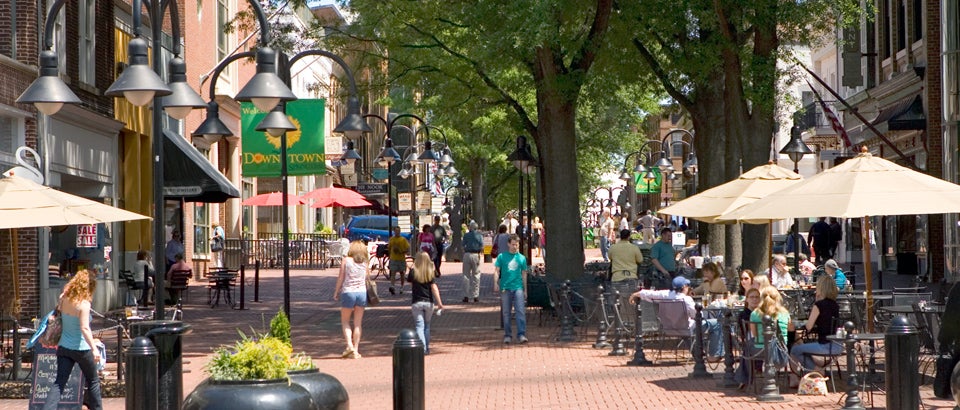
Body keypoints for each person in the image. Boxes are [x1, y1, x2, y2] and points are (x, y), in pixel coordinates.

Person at [44, 269, 102, 410]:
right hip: (81, 348)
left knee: (59, 382)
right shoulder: (84, 304)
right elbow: (84, 328)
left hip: (64, 347)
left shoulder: (64, 299)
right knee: (93, 381)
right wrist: (94, 349)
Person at [629, 276, 722, 361]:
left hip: (669, 328)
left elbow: (650, 293)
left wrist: (636, 294)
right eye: (688, 286)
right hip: (687, 328)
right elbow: (698, 315)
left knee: (688, 326)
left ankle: (698, 353)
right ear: (684, 287)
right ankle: (714, 355)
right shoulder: (686, 299)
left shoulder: (665, 295)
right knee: (716, 323)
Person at [789, 275, 841, 372]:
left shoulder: (819, 305)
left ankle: (816, 370)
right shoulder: (835, 305)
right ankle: (816, 369)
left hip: (825, 345)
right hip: (837, 344)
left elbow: (808, 327)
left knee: (795, 350)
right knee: (804, 349)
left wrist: (816, 302)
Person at [334, 241, 370, 359]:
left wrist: (336, 292)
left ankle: (349, 345)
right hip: (361, 292)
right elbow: (366, 278)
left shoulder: (346, 260)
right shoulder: (365, 263)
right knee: (358, 323)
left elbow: (341, 277)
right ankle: (356, 350)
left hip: (348, 292)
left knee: (345, 321)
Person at [494, 235, 529, 344]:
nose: (515, 247)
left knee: (520, 311)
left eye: (517, 244)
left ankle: (521, 334)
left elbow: (524, 274)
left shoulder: (521, 258)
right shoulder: (501, 257)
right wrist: (495, 283)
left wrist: (525, 289)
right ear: (508, 244)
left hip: (517, 287)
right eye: (513, 244)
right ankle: (508, 335)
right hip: (505, 287)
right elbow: (497, 271)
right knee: (506, 312)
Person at [408, 251, 443, 354]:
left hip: (417, 302)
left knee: (419, 325)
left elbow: (410, 283)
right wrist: (439, 303)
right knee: (427, 326)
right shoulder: (430, 273)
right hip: (429, 302)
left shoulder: (413, 272)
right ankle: (426, 347)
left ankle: (422, 348)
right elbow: (434, 288)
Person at [733, 287, 763, 387]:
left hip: (761, 341)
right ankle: (749, 374)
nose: (754, 299)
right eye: (752, 297)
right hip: (750, 340)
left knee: (749, 349)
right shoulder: (744, 314)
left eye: (757, 297)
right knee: (749, 346)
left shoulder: (763, 313)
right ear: (747, 299)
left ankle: (743, 378)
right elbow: (745, 333)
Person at [608, 229, 643, 312]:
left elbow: (610, 257)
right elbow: (640, 260)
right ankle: (631, 319)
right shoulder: (634, 248)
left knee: (617, 301)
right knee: (631, 300)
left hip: (617, 276)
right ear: (629, 236)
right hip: (631, 276)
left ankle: (618, 319)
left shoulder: (613, 247)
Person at [461, 221, 484, 303]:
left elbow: (463, 245)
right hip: (475, 255)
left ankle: (466, 296)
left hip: (467, 255)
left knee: (466, 275)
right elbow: (482, 246)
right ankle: (475, 296)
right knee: (476, 275)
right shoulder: (479, 236)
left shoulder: (466, 235)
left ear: (470, 228)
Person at [387, 227, 410, 295]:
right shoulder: (391, 239)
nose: (397, 232)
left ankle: (401, 287)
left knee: (402, 273)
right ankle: (392, 286)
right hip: (393, 259)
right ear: (394, 231)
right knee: (393, 272)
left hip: (401, 259)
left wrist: (401, 251)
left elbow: (407, 249)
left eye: (398, 231)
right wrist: (390, 255)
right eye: (396, 231)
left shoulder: (403, 240)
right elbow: (389, 248)